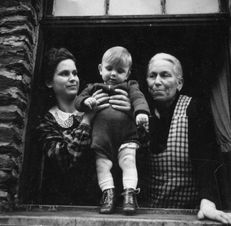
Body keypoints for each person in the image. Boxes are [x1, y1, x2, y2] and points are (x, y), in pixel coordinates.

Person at [139, 52, 231, 224]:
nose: (157, 81)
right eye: (152, 76)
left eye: (165, 75)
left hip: (187, 213)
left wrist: (208, 201)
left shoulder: (194, 109)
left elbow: (206, 160)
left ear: (179, 83)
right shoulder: (142, 113)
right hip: (149, 213)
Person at [35, 47, 131, 205]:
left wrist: (128, 113)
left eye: (75, 73)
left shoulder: (101, 103)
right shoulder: (46, 122)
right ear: (49, 82)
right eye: (64, 74)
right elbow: (65, 162)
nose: (73, 78)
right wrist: (87, 119)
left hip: (110, 204)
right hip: (69, 206)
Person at [76, 46, 150, 214]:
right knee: (102, 165)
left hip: (127, 137)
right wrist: (86, 101)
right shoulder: (93, 87)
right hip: (102, 138)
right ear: (100, 69)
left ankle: (129, 195)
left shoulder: (130, 86)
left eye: (120, 70)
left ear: (128, 73)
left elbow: (138, 99)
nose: (113, 74)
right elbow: (78, 100)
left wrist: (141, 113)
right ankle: (107, 194)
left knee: (128, 162)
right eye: (109, 69)